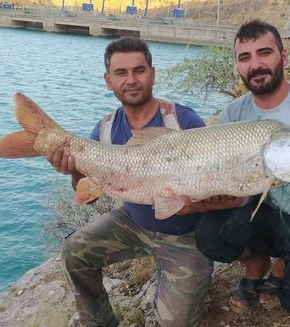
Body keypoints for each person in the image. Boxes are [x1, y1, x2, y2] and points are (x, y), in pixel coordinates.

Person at [184, 19, 290, 320]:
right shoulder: (234, 114)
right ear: (237, 66)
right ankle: (257, 262)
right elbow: (234, 190)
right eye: (245, 58)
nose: (256, 65)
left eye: (265, 53)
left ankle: (285, 263)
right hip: (263, 214)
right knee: (211, 234)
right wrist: (207, 197)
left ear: (283, 58)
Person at [49, 36, 213, 327]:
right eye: (121, 73)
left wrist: (195, 205)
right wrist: (73, 169)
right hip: (132, 221)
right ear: (108, 81)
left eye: (139, 70)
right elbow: (89, 192)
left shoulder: (184, 122)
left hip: (186, 236)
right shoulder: (106, 128)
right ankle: (98, 322)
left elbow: (218, 186)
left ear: (152, 74)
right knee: (74, 252)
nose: (131, 80)